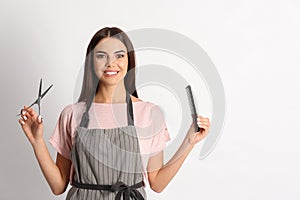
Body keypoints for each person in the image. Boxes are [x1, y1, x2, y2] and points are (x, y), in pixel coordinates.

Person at [18, 27, 211, 200]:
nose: (111, 63)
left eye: (119, 55)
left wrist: (189, 142)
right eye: (101, 56)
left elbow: (157, 183)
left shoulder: (150, 113)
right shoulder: (72, 114)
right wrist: (37, 142)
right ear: (91, 61)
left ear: (129, 61)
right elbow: (58, 186)